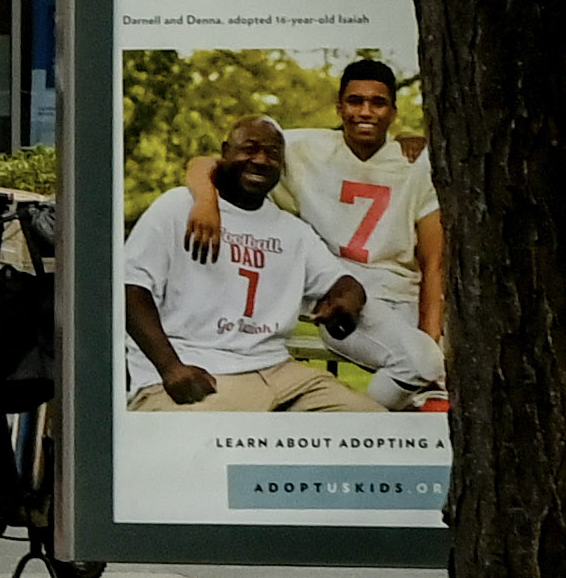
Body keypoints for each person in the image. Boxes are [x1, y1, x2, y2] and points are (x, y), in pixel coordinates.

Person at [172, 57, 446, 405]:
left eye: (378, 103)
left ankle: (363, 430)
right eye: (355, 101)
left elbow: (433, 261)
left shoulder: (416, 163)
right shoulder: (303, 148)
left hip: (401, 295)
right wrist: (205, 201)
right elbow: (207, 162)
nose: (365, 111)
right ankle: (354, 429)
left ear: (393, 112)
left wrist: (431, 334)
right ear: (339, 107)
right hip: (342, 296)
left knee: (434, 373)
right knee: (420, 363)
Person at [121, 112, 373, 412]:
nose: (261, 160)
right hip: (196, 367)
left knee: (370, 422)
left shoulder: (292, 230)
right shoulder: (178, 207)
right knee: (210, 445)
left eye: (272, 154)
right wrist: (171, 368)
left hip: (277, 370)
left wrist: (347, 301)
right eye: (250, 148)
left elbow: (343, 282)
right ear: (225, 152)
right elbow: (130, 290)